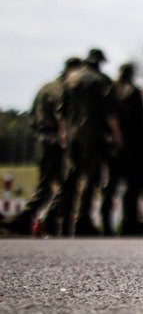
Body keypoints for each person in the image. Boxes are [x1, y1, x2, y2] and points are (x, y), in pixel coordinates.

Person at [1, 58, 78, 235]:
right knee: (64, 182)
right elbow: (61, 116)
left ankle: (24, 221)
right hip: (56, 140)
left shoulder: (45, 87)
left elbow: (32, 115)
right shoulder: (63, 88)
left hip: (41, 139)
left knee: (46, 183)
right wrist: (65, 142)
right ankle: (32, 221)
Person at [57, 48, 120, 236]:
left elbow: (61, 112)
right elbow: (111, 115)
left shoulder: (70, 79)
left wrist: (64, 134)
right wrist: (118, 137)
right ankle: (82, 221)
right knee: (89, 177)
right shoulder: (101, 81)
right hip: (93, 136)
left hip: (72, 135)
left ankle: (63, 221)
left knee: (70, 177)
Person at [101, 62, 143, 235]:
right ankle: (129, 223)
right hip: (130, 146)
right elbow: (140, 123)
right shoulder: (132, 92)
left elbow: (106, 116)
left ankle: (106, 224)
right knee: (131, 187)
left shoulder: (111, 91)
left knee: (111, 186)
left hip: (112, 146)